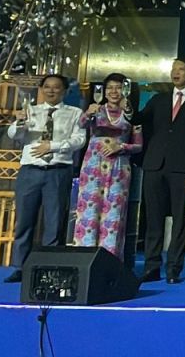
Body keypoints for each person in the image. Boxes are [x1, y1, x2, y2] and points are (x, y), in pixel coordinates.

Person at [5, 74, 86, 283]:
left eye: (56, 87)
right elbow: (14, 135)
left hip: (58, 170)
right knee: (24, 221)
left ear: (65, 91)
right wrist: (19, 122)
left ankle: (49, 267)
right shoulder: (30, 110)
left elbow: (79, 139)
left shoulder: (75, 113)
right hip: (30, 170)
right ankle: (20, 266)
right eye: (47, 87)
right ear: (41, 89)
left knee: (55, 222)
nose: (51, 91)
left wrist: (53, 146)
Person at [135, 58, 185, 284]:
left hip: (182, 167)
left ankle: (174, 268)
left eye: (181, 69)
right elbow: (139, 119)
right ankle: (152, 266)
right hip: (154, 164)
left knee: (179, 219)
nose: (176, 73)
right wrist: (126, 108)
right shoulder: (159, 99)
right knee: (153, 218)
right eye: (173, 69)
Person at [73, 73, 142, 259]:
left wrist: (121, 146)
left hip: (119, 167)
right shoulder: (97, 109)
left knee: (114, 214)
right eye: (110, 87)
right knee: (89, 211)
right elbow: (80, 124)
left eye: (118, 88)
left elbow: (139, 145)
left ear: (126, 90)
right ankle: (85, 257)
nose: (113, 91)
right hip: (93, 166)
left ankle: (110, 260)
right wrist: (88, 113)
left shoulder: (132, 114)